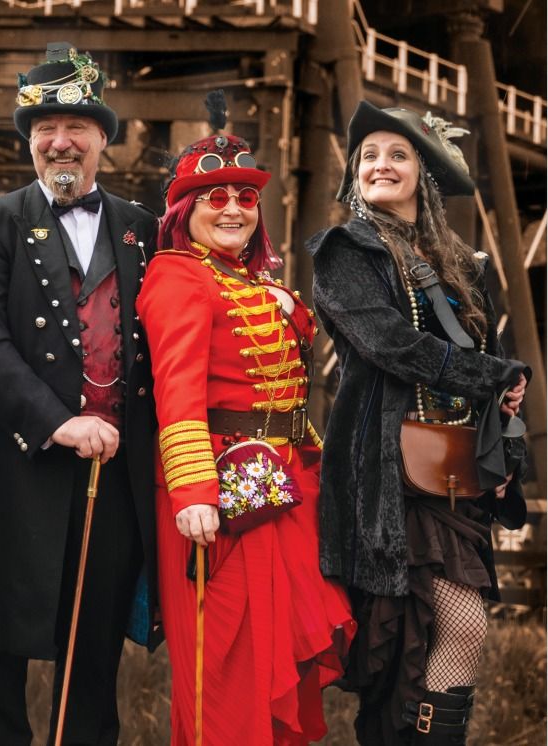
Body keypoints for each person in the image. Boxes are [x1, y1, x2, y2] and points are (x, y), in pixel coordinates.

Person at [0, 42, 159, 745]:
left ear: (103, 138)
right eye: (44, 132)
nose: (60, 143)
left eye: (76, 129)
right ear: (30, 143)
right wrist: (55, 422)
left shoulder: (142, 229)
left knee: (91, 653)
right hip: (19, 467)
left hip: (114, 476)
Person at [136, 92, 354, 745]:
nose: (232, 207)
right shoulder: (177, 277)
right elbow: (176, 388)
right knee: (224, 665)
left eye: (244, 197)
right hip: (218, 497)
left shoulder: (253, 283)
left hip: (280, 489)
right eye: (214, 197)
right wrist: (193, 494)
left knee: (273, 655)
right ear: (186, 211)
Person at [308, 101, 528, 746]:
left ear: (425, 174)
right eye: (369, 155)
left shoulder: (466, 265)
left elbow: (483, 359)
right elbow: (390, 345)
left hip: (456, 470)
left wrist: (500, 405)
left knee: (440, 635)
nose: (381, 164)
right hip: (386, 472)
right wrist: (492, 375)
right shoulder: (344, 252)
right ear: (355, 175)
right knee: (419, 637)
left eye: (398, 154)